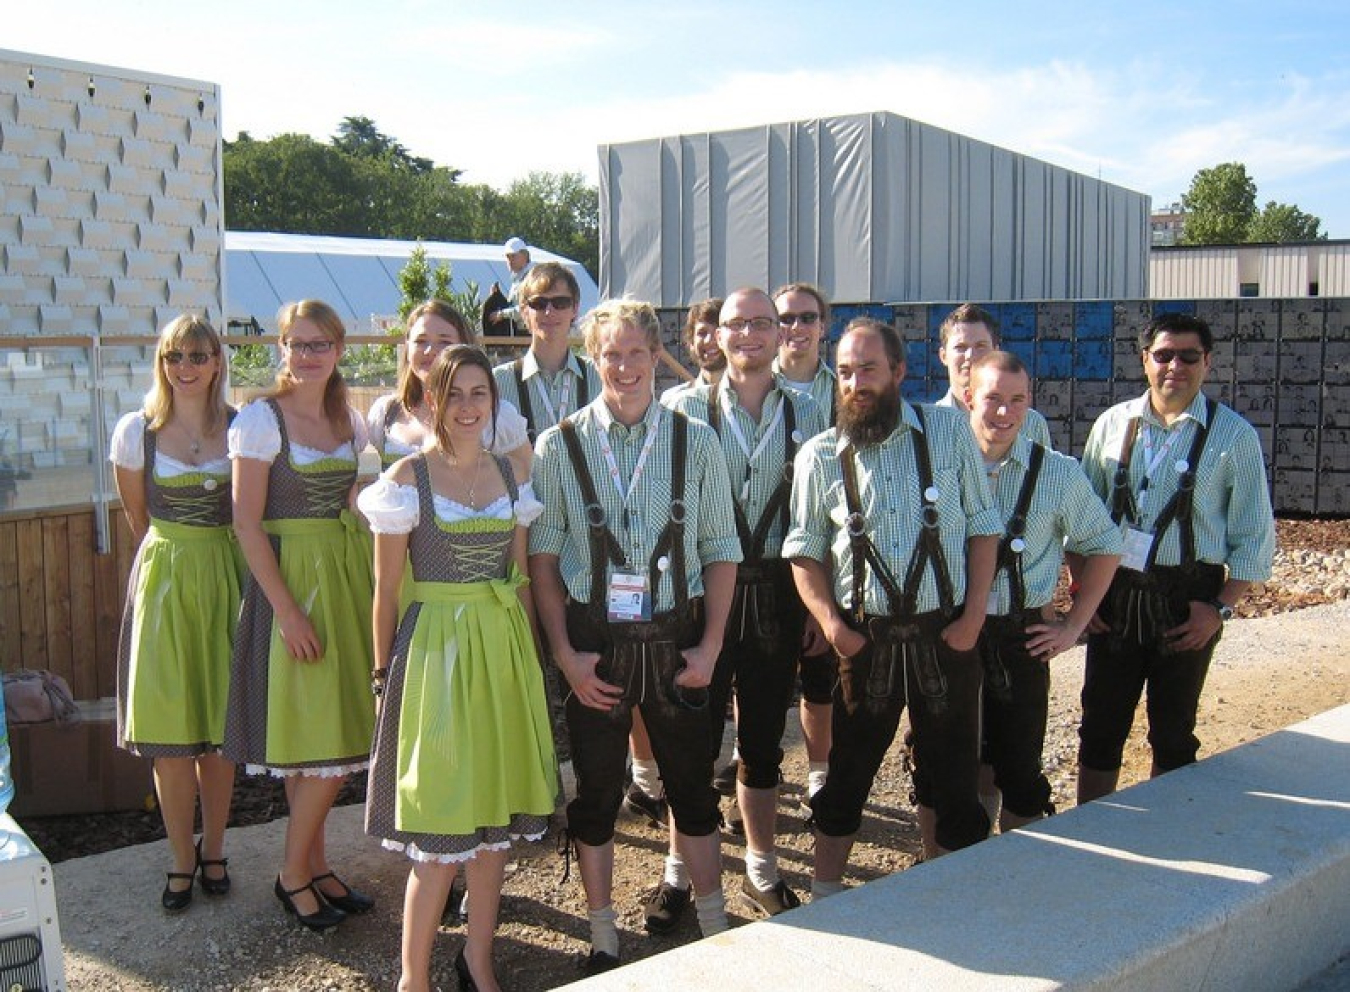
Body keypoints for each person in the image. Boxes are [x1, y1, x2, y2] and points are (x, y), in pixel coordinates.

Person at [530, 299, 740, 975]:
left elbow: (720, 548)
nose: (622, 366)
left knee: (692, 786)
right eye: (609, 354)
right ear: (593, 358)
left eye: (635, 353)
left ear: (656, 356)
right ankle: (602, 936)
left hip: (676, 636)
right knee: (595, 793)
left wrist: (710, 647)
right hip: (596, 640)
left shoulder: (695, 440)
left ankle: (715, 927)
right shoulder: (558, 445)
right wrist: (565, 655)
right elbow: (542, 557)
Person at [362, 345, 557, 992]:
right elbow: (385, 592)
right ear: (432, 401)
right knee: (441, 834)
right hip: (435, 658)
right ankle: (412, 978)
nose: (469, 406)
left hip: (500, 652)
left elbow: (521, 578)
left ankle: (478, 960)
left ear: (492, 403)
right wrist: (381, 676)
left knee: (493, 833)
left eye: (480, 393)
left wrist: (530, 661)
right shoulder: (405, 480)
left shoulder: (510, 476)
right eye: (456, 394)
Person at [785, 316, 1001, 887]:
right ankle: (826, 897)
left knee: (953, 781)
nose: (856, 383)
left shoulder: (950, 434)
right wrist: (833, 626)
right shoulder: (819, 456)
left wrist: (974, 616)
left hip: (945, 636)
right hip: (866, 640)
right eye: (847, 372)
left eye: (869, 370)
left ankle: (946, 890)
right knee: (847, 779)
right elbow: (803, 551)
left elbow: (983, 528)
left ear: (899, 372)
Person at [666, 288, 827, 920]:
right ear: (718, 333)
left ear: (779, 333)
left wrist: (820, 607)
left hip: (778, 595)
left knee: (762, 740)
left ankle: (761, 867)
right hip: (702, 594)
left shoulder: (812, 412)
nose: (751, 335)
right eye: (738, 324)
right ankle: (680, 872)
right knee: (693, 741)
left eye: (764, 323)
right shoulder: (679, 411)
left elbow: (825, 517)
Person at [1076, 312, 1275, 803]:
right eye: (1163, 355)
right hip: (1115, 591)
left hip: (1189, 601)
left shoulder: (1234, 437)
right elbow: (1080, 521)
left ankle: (1165, 836)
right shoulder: (1110, 425)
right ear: (1145, 360)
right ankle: (1091, 837)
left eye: (1188, 356)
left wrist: (1220, 608)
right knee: (1100, 725)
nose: (1175, 366)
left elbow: (1254, 537)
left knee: (1172, 731)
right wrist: (1086, 593)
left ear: (1207, 362)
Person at [223, 299, 376, 932]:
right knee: (324, 741)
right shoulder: (261, 420)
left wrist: (359, 494)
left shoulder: (351, 419)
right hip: (294, 585)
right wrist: (286, 610)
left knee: (319, 744)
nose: (308, 355)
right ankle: (291, 874)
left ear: (340, 350)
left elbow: (367, 491)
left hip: (344, 578)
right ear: (281, 348)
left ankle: (314, 865)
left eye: (321, 344)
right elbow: (245, 522)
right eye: (297, 343)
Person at [111, 314, 242, 912]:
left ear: (217, 361)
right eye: (173, 357)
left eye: (196, 355)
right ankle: (180, 857)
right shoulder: (136, 432)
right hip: (165, 578)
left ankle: (214, 846)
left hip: (225, 578)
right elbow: (140, 520)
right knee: (170, 735)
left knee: (219, 729)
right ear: (161, 364)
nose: (184, 368)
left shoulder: (240, 429)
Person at [963, 351, 1121, 832]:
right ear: (969, 398)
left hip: (1021, 631)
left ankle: (1020, 870)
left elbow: (1106, 547)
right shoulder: (940, 465)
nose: (1004, 413)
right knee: (954, 759)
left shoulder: (1058, 473)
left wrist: (1072, 626)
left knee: (1021, 766)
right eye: (992, 399)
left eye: (1017, 400)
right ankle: (965, 859)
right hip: (953, 631)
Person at [771, 282, 838, 809]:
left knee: (821, 676)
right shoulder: (751, 391)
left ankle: (820, 772)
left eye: (806, 317)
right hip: (763, 559)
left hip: (827, 558)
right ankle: (756, 763)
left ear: (824, 325)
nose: (796, 328)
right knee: (760, 675)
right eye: (786, 318)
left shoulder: (844, 394)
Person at [367, 300, 532, 479]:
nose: (430, 350)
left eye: (444, 342)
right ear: (407, 347)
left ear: (464, 347)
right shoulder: (386, 412)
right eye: (421, 341)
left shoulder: (496, 417)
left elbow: (527, 478)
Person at [492, 262, 601, 445]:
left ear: (575, 308)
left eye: (560, 303)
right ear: (524, 311)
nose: (549, 312)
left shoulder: (600, 376)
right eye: (539, 303)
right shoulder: (497, 382)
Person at [935, 303, 1052, 447]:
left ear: (996, 352)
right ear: (943, 356)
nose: (970, 356)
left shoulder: (1031, 424)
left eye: (980, 346)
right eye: (961, 347)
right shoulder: (930, 426)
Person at [658, 298, 726, 405]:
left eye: (718, 332)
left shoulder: (753, 400)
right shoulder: (671, 402)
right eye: (702, 333)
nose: (710, 340)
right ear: (691, 343)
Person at [485, 237, 533, 334]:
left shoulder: (531, 280)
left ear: (524, 256)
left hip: (529, 333)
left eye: (513, 256)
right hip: (519, 333)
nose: (510, 260)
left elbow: (526, 308)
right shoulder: (517, 281)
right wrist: (497, 297)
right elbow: (514, 305)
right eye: (508, 257)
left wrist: (501, 314)